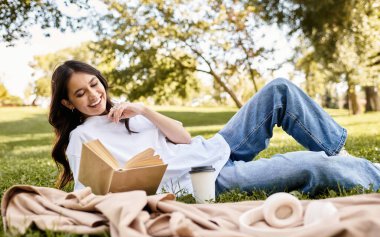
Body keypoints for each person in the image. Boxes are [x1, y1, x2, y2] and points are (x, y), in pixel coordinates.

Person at [49, 60, 380, 197]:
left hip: (213, 148)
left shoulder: (128, 114)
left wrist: (145, 111)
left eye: (95, 85)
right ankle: (360, 170)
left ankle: (341, 154)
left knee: (279, 90)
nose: (94, 95)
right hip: (202, 179)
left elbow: (183, 137)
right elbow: (89, 190)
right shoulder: (82, 137)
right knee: (313, 165)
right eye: (81, 93)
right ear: (68, 103)